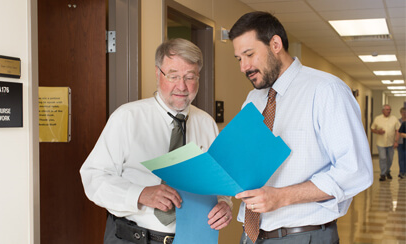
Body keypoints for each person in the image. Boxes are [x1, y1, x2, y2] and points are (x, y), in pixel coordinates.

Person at [228, 11, 373, 244]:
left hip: (303, 235)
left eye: (249, 54)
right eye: (239, 59)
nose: (244, 67)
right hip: (252, 235)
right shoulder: (253, 99)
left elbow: (355, 171)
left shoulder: (326, 90)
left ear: (275, 44)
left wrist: (281, 197)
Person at [80, 38, 232, 244]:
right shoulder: (127, 117)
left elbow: (219, 183)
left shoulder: (207, 124)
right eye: (173, 76)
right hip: (134, 238)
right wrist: (140, 194)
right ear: (157, 73)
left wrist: (224, 205)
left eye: (190, 77)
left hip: (194, 238)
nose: (182, 86)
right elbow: (94, 178)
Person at [371, 104, 400, 181]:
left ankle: (387, 171)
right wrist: (378, 131)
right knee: (383, 158)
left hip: (391, 143)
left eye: (390, 109)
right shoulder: (377, 118)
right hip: (381, 143)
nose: (389, 111)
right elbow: (372, 129)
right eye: (387, 109)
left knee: (390, 159)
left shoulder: (394, 119)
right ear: (383, 110)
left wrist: (396, 141)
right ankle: (382, 174)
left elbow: (397, 130)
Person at [396, 107, 406, 179]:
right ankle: (402, 172)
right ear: (401, 113)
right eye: (403, 112)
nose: (404, 114)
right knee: (401, 158)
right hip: (400, 142)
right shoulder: (398, 121)